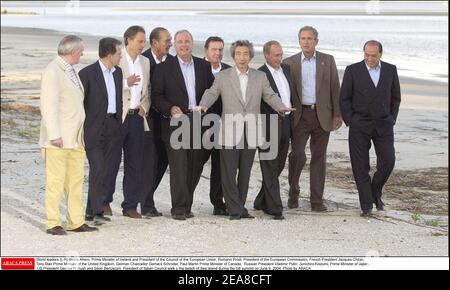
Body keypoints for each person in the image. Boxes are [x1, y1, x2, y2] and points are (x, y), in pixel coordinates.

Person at [198, 40, 294, 220]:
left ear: (250, 56)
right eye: (238, 54)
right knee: (228, 172)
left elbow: (270, 95)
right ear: (233, 56)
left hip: (251, 131)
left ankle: (240, 206)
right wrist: (203, 105)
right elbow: (212, 92)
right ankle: (234, 210)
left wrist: (281, 107)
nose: (242, 57)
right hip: (229, 131)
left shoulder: (259, 77)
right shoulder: (224, 76)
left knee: (245, 172)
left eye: (245, 54)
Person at [152, 29, 214, 220]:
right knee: (179, 166)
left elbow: (212, 91)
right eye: (180, 42)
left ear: (192, 43)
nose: (184, 45)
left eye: (187, 41)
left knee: (195, 166)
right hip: (175, 122)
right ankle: (178, 208)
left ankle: (187, 205)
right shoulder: (164, 67)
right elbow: (156, 96)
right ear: (175, 45)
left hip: (198, 121)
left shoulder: (204, 66)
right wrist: (170, 108)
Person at [40, 35, 98, 235]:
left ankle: (75, 221)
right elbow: (48, 106)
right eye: (81, 51)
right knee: (55, 182)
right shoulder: (52, 71)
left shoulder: (70, 70)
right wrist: (55, 134)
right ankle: (53, 222)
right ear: (73, 51)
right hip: (58, 140)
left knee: (75, 181)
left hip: (75, 138)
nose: (82, 53)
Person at [283, 26, 342, 212]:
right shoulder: (289, 63)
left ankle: (317, 201)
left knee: (319, 158)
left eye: (309, 38)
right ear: (299, 41)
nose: (306, 42)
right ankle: (293, 192)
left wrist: (337, 114)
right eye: (302, 38)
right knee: (297, 156)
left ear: (316, 41)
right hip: (300, 115)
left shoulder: (327, 60)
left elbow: (335, 88)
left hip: (322, 115)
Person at [339, 40, 401, 216]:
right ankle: (366, 204)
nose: (370, 59)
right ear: (363, 53)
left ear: (380, 54)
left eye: (373, 55)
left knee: (388, 161)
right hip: (360, 124)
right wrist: (351, 120)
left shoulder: (390, 69)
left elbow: (395, 97)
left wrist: (391, 118)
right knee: (360, 166)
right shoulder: (352, 70)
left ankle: (375, 191)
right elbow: (344, 98)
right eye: (367, 55)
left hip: (384, 124)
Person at [79, 37, 123, 225]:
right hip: (94, 128)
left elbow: (118, 100)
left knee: (107, 170)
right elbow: (79, 103)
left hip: (114, 125)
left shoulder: (118, 73)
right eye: (119, 53)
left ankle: (91, 210)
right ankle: (97, 211)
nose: (121, 56)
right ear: (109, 54)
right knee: (97, 168)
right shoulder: (87, 73)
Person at [190, 36, 231, 216]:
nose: (218, 53)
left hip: (224, 126)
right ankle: (185, 201)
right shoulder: (197, 67)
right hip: (202, 125)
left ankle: (218, 203)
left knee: (220, 166)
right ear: (206, 50)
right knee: (195, 164)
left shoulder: (230, 71)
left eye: (220, 49)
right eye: (214, 49)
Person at [254, 40, 294, 220]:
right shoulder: (259, 74)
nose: (280, 58)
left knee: (278, 165)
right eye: (276, 55)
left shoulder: (287, 70)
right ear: (266, 55)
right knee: (269, 166)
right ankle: (275, 208)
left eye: (281, 54)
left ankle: (261, 200)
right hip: (267, 125)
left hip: (286, 123)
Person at [116, 25, 151, 219]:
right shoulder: (116, 57)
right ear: (128, 40)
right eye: (139, 41)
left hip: (137, 118)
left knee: (135, 164)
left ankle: (130, 206)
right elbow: (105, 84)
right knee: (110, 163)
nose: (142, 44)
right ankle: (103, 202)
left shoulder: (145, 62)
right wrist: (125, 83)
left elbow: (148, 91)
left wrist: (144, 107)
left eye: (143, 41)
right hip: (118, 118)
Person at [140, 27, 174, 217]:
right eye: (166, 40)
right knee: (149, 162)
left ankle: (147, 197)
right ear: (154, 43)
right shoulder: (143, 61)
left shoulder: (172, 61)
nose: (169, 43)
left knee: (163, 161)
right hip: (148, 120)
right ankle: (146, 204)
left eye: (170, 40)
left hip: (168, 121)